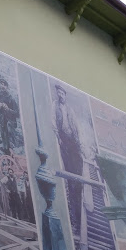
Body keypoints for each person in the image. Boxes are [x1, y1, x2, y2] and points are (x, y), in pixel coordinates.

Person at [52, 84, 85, 227]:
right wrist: (58, 137)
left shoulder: (71, 111)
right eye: (58, 93)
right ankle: (75, 216)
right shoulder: (55, 107)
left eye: (62, 94)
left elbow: (77, 128)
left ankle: (79, 207)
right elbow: (53, 123)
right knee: (71, 179)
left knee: (78, 177)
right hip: (64, 142)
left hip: (74, 143)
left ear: (65, 95)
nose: (60, 96)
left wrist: (80, 146)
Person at [0, 78, 19, 153]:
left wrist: (8, 109)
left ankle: (13, 151)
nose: (2, 86)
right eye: (1, 85)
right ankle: (6, 152)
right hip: (2, 119)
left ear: (7, 87)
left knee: (9, 136)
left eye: (4, 85)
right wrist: (0, 104)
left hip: (10, 121)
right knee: (3, 135)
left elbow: (17, 113)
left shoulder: (11, 98)